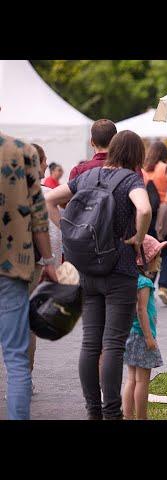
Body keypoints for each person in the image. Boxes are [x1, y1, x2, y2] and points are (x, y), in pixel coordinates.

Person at [46, 130, 152, 420]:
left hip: (87, 269)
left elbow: (50, 200)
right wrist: (137, 237)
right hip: (120, 269)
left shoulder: (85, 177)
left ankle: (93, 411)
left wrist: (68, 230)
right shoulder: (131, 179)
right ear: (136, 155)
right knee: (113, 344)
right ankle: (112, 413)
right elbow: (143, 208)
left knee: (90, 342)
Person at [1, 127, 57, 420]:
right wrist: (48, 259)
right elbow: (39, 216)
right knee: (16, 357)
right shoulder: (24, 152)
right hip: (14, 264)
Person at [28, 144, 64, 390]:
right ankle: (23, 378)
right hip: (30, 265)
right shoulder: (44, 193)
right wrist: (51, 263)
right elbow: (53, 233)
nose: (46, 165)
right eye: (44, 160)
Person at [122, 235, 166, 420]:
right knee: (142, 381)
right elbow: (141, 310)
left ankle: (127, 416)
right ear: (147, 258)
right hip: (141, 335)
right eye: (157, 255)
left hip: (130, 335)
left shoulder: (130, 279)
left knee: (131, 378)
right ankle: (141, 417)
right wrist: (149, 337)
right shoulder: (145, 283)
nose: (160, 259)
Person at [142, 141, 167, 306]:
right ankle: (163, 287)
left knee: (150, 250)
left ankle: (148, 285)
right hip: (163, 215)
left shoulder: (143, 170)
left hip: (147, 214)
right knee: (166, 251)